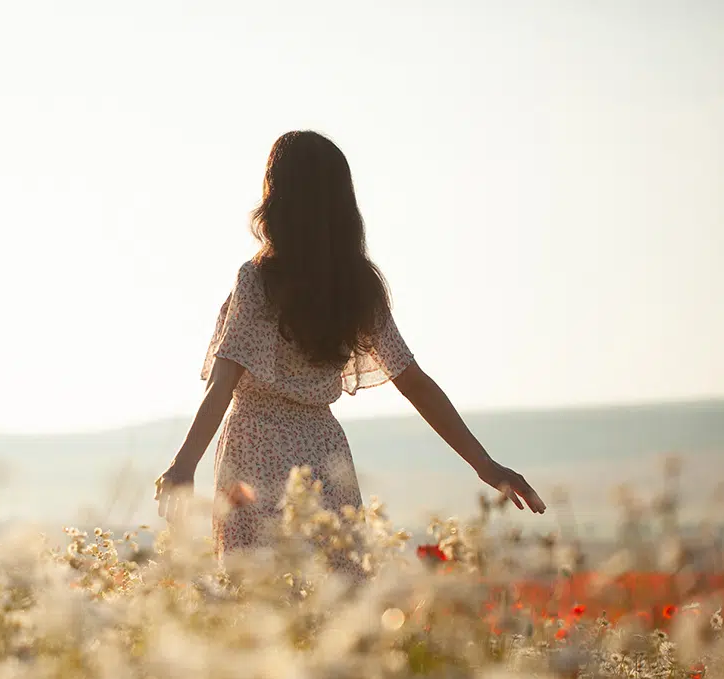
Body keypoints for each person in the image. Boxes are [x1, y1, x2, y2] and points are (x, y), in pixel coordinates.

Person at [154, 130, 545, 576]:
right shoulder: (357, 286)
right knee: (332, 595)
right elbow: (413, 381)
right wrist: (486, 465)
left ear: (276, 198)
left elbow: (222, 383)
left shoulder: (259, 280)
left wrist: (184, 465)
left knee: (261, 600)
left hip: (253, 449)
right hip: (323, 454)